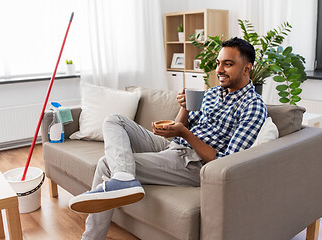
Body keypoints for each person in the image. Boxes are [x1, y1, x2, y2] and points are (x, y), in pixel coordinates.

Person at [69, 37, 267, 240]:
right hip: (174, 145)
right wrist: (184, 108)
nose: (219, 70)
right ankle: (125, 178)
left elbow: (224, 162)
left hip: (194, 163)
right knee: (114, 120)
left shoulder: (252, 105)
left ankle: (91, 236)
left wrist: (185, 133)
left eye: (228, 64)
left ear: (246, 68)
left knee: (106, 163)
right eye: (218, 63)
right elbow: (181, 126)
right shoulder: (212, 94)